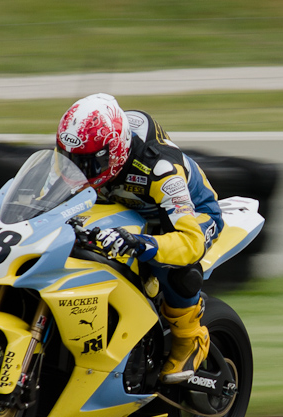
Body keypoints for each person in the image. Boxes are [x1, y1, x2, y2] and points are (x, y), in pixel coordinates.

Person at [55, 93, 223, 384]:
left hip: (188, 215)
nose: (79, 170)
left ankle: (189, 339)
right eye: (71, 159)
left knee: (173, 265)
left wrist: (146, 244)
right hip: (125, 207)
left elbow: (190, 242)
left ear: (116, 150)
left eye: (90, 163)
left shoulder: (161, 170)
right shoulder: (80, 152)